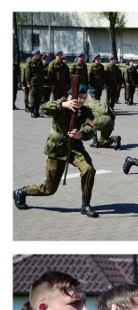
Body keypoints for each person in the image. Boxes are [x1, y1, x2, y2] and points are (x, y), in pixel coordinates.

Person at [13, 83, 100, 217]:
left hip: (75, 147)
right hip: (57, 148)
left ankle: (85, 205)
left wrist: (80, 134)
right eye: (79, 97)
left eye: (84, 98)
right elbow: (43, 108)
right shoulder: (61, 106)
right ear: (71, 96)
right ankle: (21, 192)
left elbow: (91, 127)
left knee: (88, 169)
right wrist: (63, 104)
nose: (81, 100)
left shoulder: (86, 111)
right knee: (49, 189)